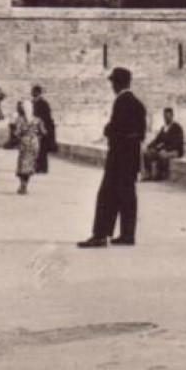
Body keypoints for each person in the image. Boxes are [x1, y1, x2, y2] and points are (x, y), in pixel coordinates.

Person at [79, 67, 147, 248]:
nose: (112, 87)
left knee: (107, 196)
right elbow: (140, 133)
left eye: (113, 83)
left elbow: (115, 129)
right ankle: (127, 234)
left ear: (118, 83)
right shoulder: (138, 104)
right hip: (131, 160)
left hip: (118, 158)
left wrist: (108, 129)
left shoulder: (121, 102)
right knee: (128, 197)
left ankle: (100, 235)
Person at [142, 108, 186, 181]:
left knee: (162, 155)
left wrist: (165, 149)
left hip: (175, 151)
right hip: (164, 149)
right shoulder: (163, 128)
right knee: (147, 154)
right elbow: (157, 140)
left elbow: (177, 143)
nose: (166, 118)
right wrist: (149, 146)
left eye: (168, 116)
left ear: (172, 116)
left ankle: (160, 175)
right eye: (165, 116)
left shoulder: (177, 127)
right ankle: (148, 175)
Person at [12, 97, 41, 195]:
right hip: (34, 143)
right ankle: (25, 185)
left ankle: (22, 186)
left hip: (24, 143)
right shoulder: (37, 120)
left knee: (22, 164)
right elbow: (44, 132)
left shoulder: (20, 120)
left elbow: (16, 133)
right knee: (30, 165)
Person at [31, 86, 56, 175]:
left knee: (42, 149)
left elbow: (47, 117)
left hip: (43, 128)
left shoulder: (43, 103)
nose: (32, 93)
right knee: (37, 149)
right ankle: (38, 167)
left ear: (38, 92)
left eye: (34, 92)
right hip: (36, 128)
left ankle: (43, 168)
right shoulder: (34, 102)